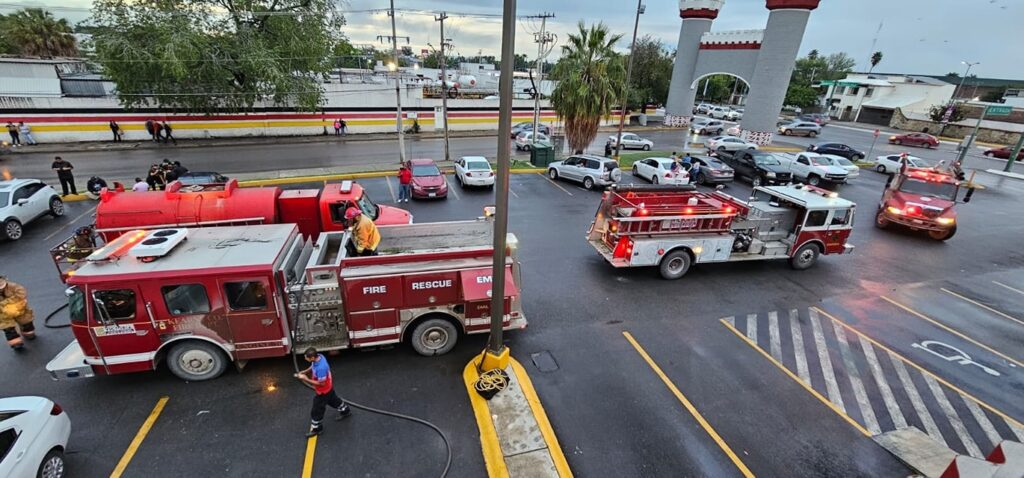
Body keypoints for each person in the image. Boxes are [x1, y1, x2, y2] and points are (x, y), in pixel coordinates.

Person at [296, 347, 351, 437]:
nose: (305, 359)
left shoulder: (321, 368)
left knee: (316, 411)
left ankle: (317, 429)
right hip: (329, 388)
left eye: (306, 358)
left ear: (312, 358)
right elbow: (313, 366)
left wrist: (306, 379)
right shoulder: (320, 357)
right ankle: (345, 411)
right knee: (334, 401)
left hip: (323, 391)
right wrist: (306, 371)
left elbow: (321, 384)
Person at [0, 276, 36, 351]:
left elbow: (21, 293)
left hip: (19, 309)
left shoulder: (12, 286)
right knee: (8, 328)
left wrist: (7, 302)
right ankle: (15, 343)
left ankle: (28, 333)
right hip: (3, 314)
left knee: (26, 322)